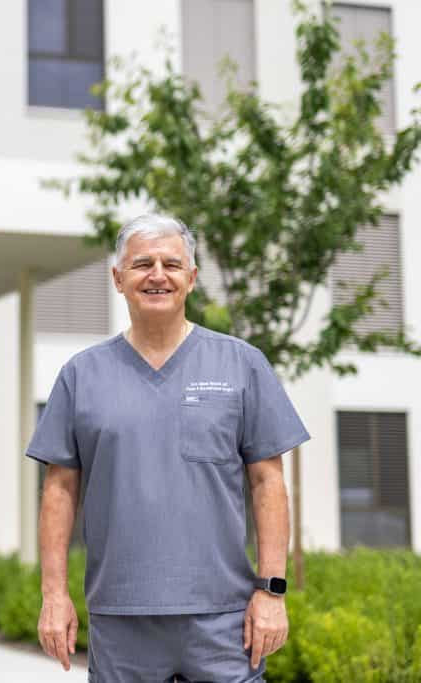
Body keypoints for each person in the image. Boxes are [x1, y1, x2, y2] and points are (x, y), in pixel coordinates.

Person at [26, 213, 310, 682]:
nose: (157, 275)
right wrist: (53, 596)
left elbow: (268, 481)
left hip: (225, 619)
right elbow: (59, 490)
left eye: (172, 264)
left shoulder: (242, 365)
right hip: (121, 618)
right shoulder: (81, 375)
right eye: (141, 264)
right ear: (118, 279)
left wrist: (272, 592)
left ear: (192, 278)